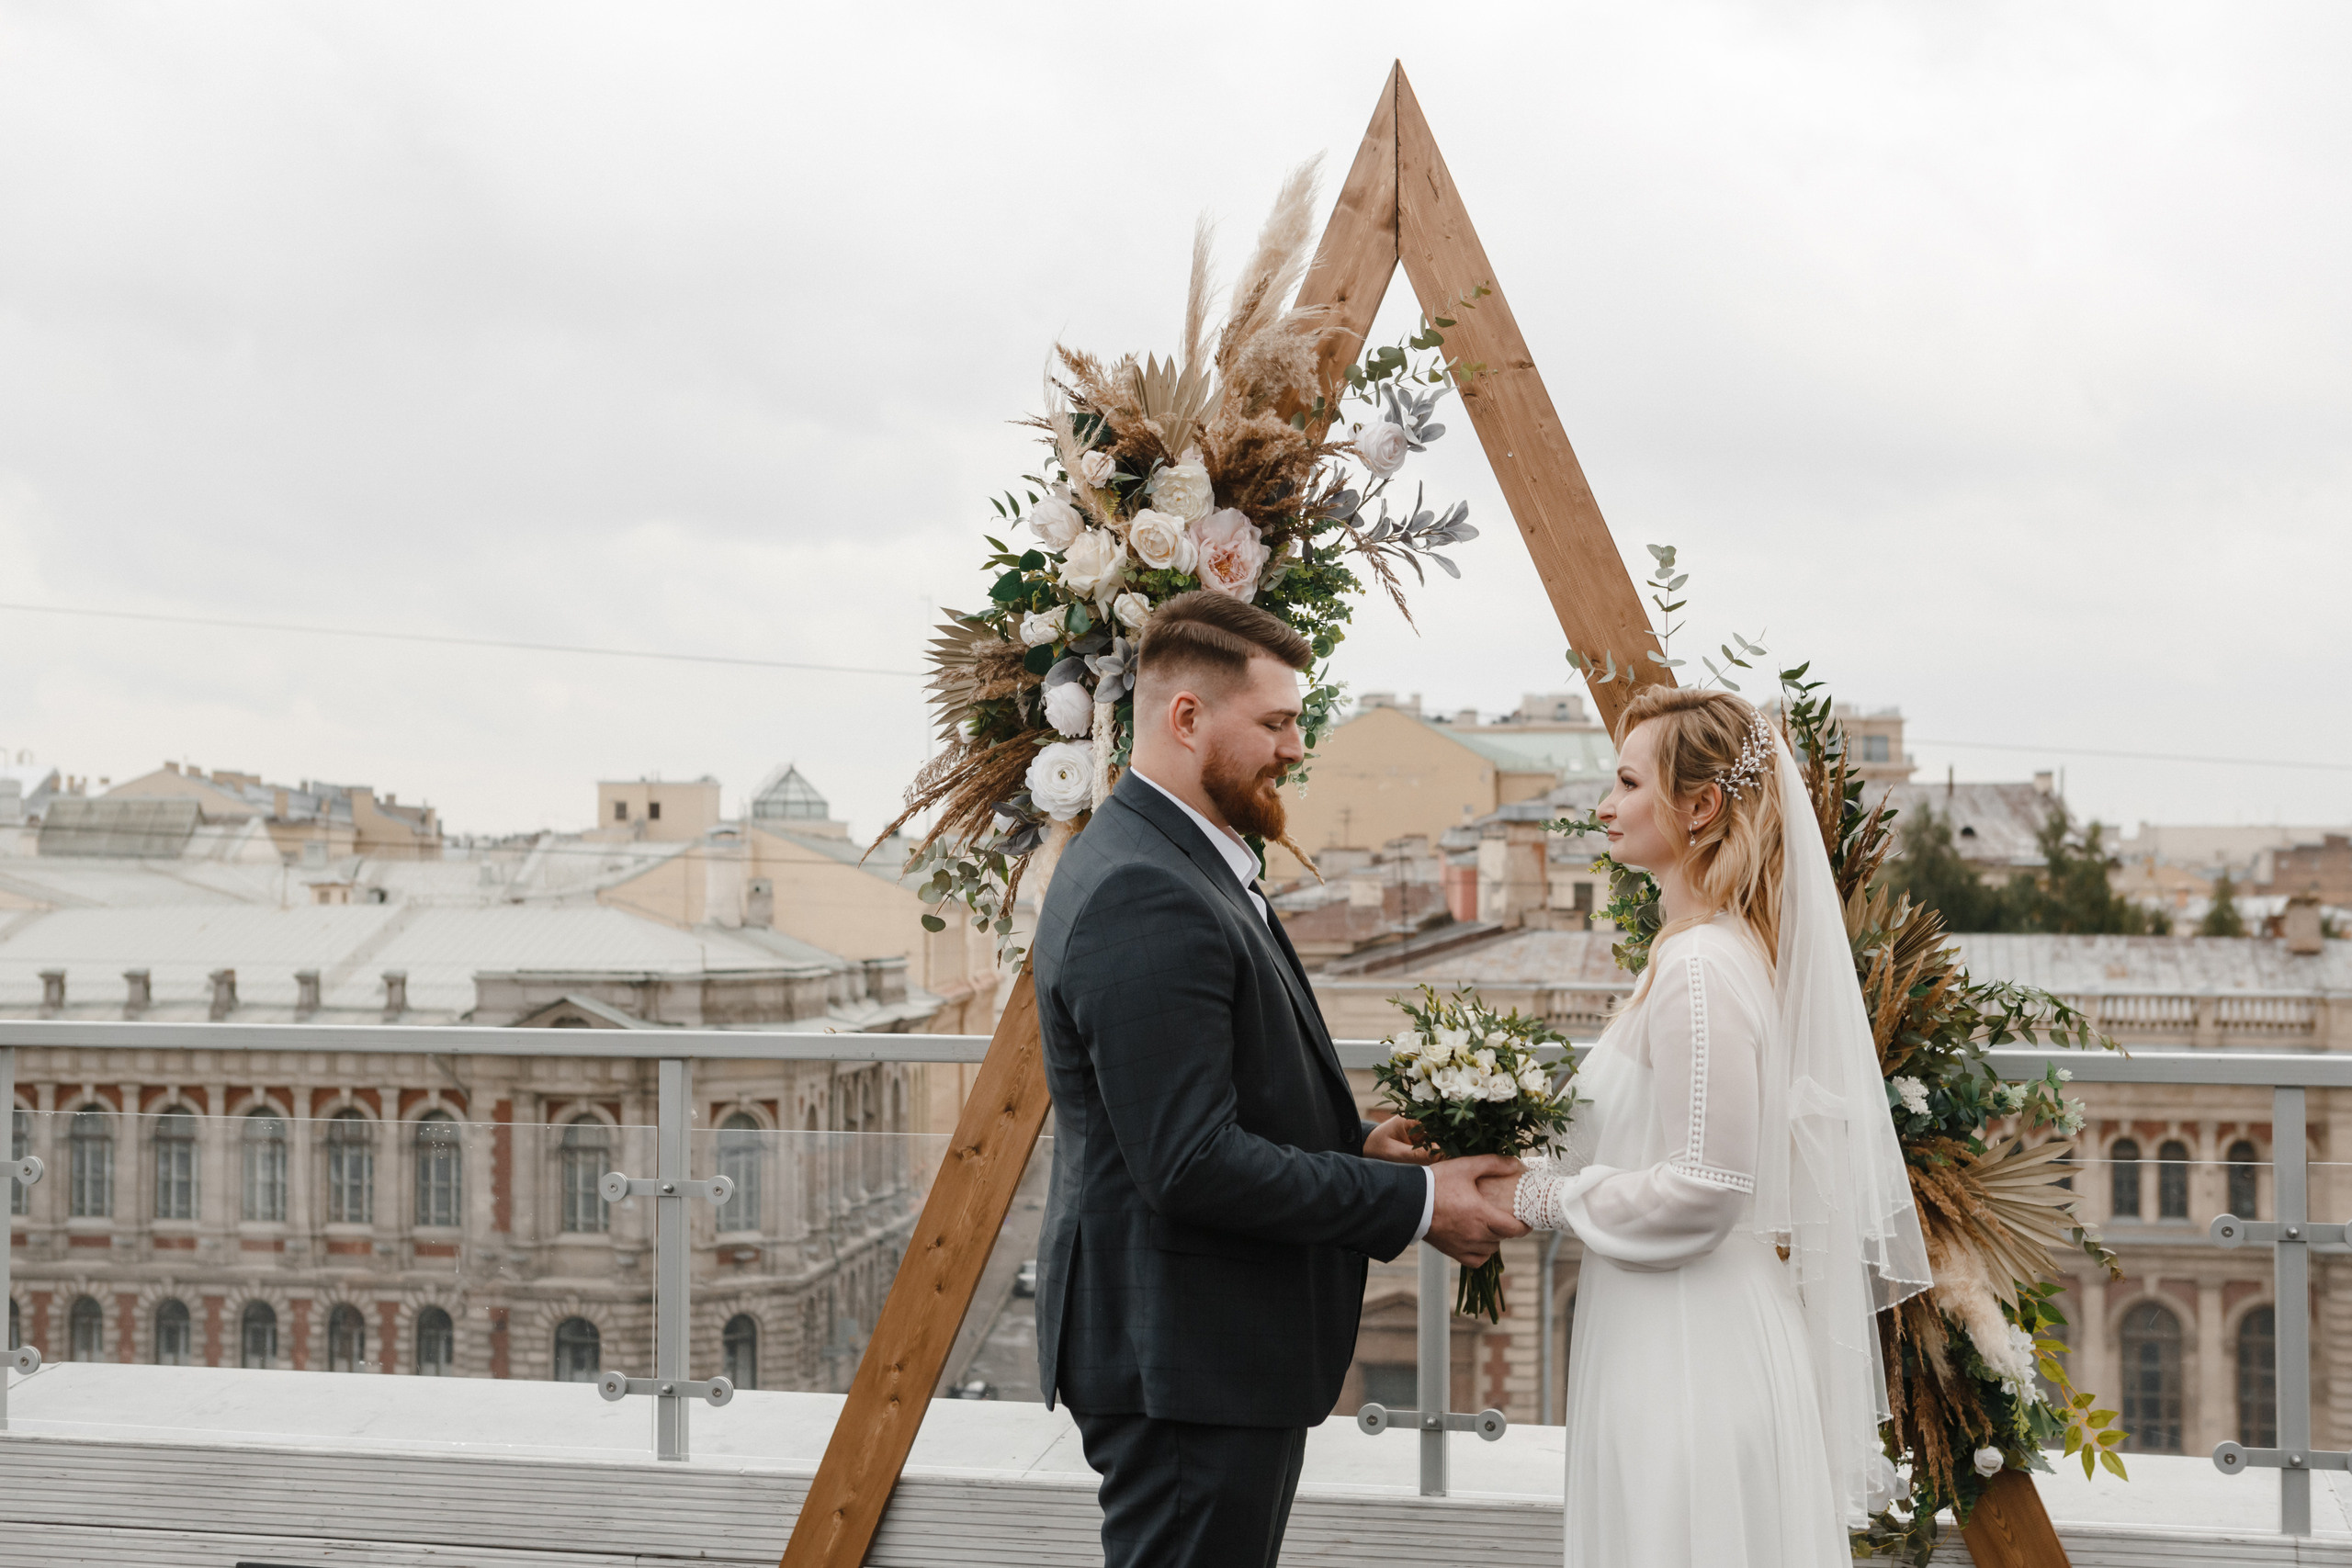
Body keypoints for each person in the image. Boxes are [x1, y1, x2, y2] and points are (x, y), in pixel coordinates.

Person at [1031, 590, 1527, 1568]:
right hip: (1183, 1361)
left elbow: (1207, 1104)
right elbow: (1188, 1162)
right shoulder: (1144, 887)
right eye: (1276, 722)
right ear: (1185, 718)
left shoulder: (1182, 860)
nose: (1296, 748)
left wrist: (1356, 1151)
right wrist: (1417, 1200)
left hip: (1205, 1353)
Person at [1483, 687, 1931, 1568]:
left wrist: (1540, 1197)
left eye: (1625, 783)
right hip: (1661, 1332)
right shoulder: (1695, 950)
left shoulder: (1700, 970)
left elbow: (1706, 1186)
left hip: (1692, 1351)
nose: (1604, 807)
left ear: (1700, 805)